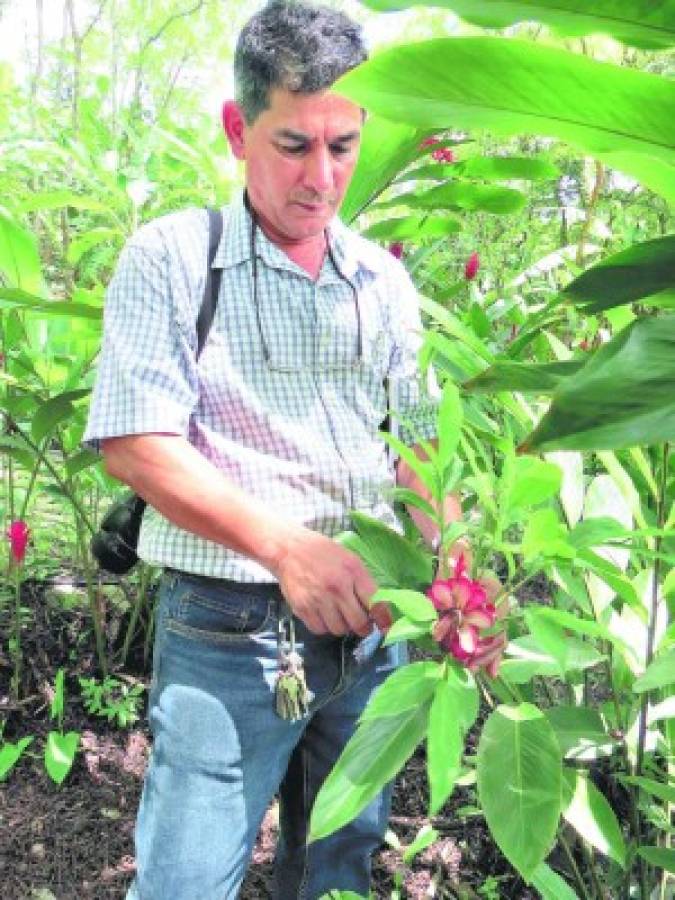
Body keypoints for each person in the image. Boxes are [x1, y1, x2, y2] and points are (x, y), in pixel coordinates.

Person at [84, 2, 452, 897]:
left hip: (371, 634)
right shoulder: (172, 258)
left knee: (336, 865)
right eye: (293, 145)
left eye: (343, 145)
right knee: (183, 880)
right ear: (236, 129)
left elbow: (417, 443)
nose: (321, 178)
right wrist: (289, 549)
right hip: (228, 630)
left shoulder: (383, 282)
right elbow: (135, 445)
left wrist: (445, 569)